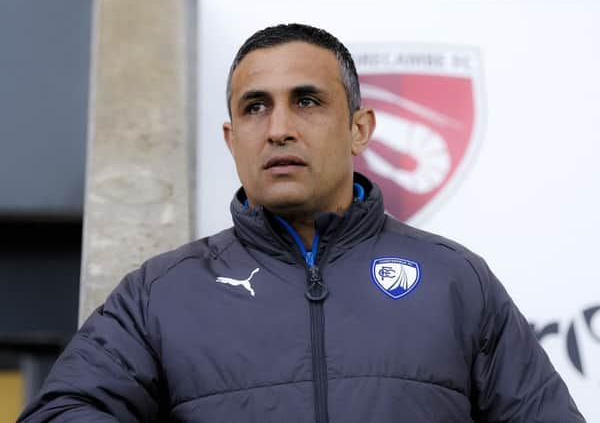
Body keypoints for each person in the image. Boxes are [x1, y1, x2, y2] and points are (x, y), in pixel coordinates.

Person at [19, 23, 585, 423]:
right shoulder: (160, 293)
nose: (279, 128)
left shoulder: (456, 281)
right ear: (232, 138)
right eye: (255, 107)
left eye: (308, 101)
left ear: (360, 128)